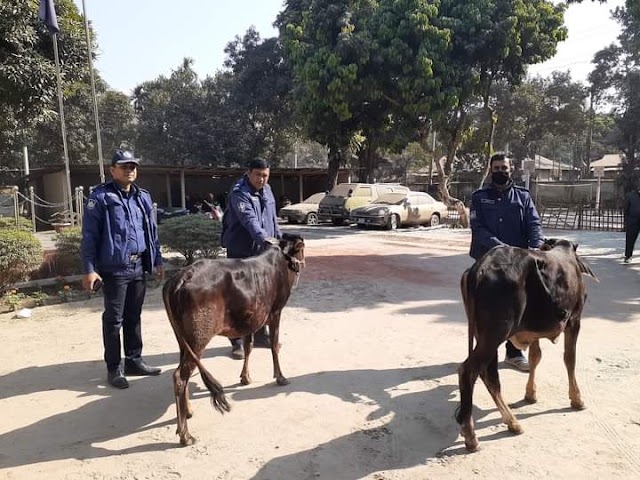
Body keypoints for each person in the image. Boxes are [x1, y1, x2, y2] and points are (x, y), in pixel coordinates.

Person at [81, 150, 164, 389]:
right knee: (113, 320)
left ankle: (134, 360)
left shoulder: (143, 198)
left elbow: (152, 232)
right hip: (115, 268)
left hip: (139, 265)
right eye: (124, 166)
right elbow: (89, 237)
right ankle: (114, 368)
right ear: (112, 170)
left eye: (133, 166)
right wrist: (89, 269)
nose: (130, 170)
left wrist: (157, 260)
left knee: (133, 316)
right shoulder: (101, 197)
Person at [469, 152, 544, 372]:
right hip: (488, 262)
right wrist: (499, 247)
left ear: (512, 170)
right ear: (490, 169)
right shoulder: (479, 197)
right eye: (497, 168)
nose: (501, 171)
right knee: (486, 310)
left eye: (505, 168)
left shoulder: (523, 196)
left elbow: (534, 223)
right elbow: (478, 228)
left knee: (518, 309)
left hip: (519, 263)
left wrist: (537, 245)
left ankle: (514, 353)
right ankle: (483, 353)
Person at [221, 158, 282, 359]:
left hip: (262, 253)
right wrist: (265, 239)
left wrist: (278, 239)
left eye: (265, 175)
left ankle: (260, 334)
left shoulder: (268, 190)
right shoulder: (240, 192)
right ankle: (237, 341)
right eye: (258, 174)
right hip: (241, 253)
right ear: (249, 173)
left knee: (262, 295)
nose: (261, 179)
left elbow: (272, 219)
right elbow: (250, 221)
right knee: (238, 298)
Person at [623, 185, 640, 263]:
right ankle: (628, 256)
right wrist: (627, 221)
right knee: (630, 239)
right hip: (633, 221)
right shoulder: (630, 196)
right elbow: (626, 209)